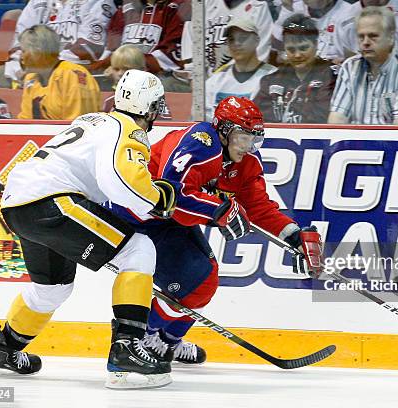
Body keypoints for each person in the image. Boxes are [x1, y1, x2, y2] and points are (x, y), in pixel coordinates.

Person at [0, 69, 177, 389]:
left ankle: (2, 351)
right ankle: (126, 351)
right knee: (138, 249)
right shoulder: (128, 129)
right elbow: (121, 180)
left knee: (52, 289)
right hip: (52, 202)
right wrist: (158, 198)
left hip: (18, 203)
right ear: (149, 107)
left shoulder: (92, 121)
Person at [105, 96, 324, 365]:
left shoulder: (246, 162)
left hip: (169, 223)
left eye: (255, 139)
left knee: (203, 283)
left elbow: (258, 207)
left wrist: (293, 235)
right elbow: (168, 194)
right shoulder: (199, 143)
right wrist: (218, 210)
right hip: (138, 217)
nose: (250, 146)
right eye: (244, 137)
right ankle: (142, 337)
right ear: (224, 130)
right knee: (193, 280)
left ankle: (167, 343)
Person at [328, 6, 398, 124]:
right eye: (361, 37)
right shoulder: (349, 66)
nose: (366, 42)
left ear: (391, 37)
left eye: (373, 36)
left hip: (389, 141)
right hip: (353, 141)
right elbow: (337, 118)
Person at [4, 0, 117, 84]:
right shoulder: (37, 3)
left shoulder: (98, 2)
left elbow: (90, 47)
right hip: (34, 74)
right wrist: (18, 70)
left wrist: (47, 67)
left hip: (77, 78)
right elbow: (19, 43)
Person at [254, 14, 337, 123]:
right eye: (291, 50)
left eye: (303, 48)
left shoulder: (330, 76)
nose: (297, 55)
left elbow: (320, 120)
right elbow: (256, 119)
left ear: (316, 44)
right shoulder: (271, 80)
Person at [92, 0, 190, 92]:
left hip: (158, 75)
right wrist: (100, 67)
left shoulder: (177, 8)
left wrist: (127, 63)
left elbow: (170, 56)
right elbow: (111, 47)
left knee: (165, 85)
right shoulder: (127, 7)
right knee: (91, 81)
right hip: (121, 70)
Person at [16, 25, 101, 120]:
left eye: (24, 51)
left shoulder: (71, 75)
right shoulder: (31, 79)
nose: (21, 58)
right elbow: (24, 121)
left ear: (38, 51)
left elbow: (78, 125)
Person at [204, 17, 277, 120]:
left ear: (257, 40)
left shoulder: (273, 76)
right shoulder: (215, 81)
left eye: (242, 38)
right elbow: (205, 120)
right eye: (231, 39)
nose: (236, 43)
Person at [180, 0, 274, 75]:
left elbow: (259, 54)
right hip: (204, 78)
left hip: (243, 78)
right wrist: (194, 74)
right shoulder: (203, 5)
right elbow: (191, 38)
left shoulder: (258, 7)